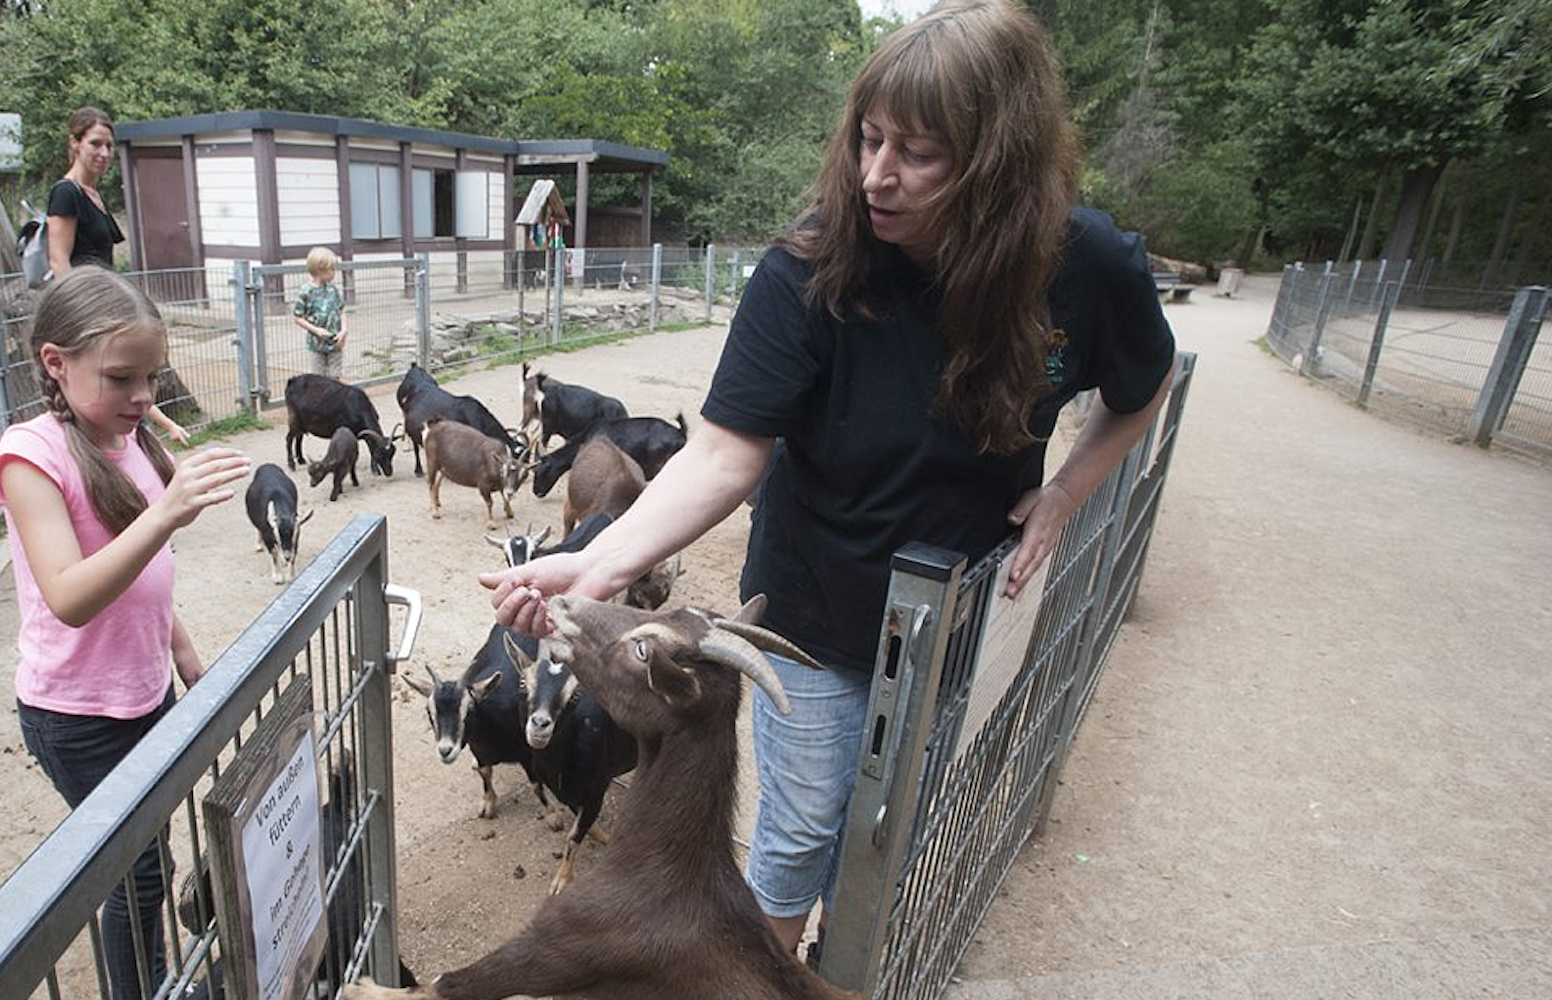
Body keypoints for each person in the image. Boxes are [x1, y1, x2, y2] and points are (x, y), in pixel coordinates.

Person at [479, 0, 1176, 958]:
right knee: (799, 835)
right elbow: (724, 453)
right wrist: (593, 569)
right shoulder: (813, 269)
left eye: (919, 153)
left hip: (961, 614)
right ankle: (766, 975)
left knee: (902, 827)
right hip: (813, 620)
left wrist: (1062, 495)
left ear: (998, 163)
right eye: (869, 137)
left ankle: (848, 963)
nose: (876, 175)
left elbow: (1141, 392)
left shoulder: (1083, 264)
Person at [0, 266, 250, 998]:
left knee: (147, 859)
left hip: (143, 693)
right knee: (135, 876)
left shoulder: (125, 437)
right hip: (74, 714)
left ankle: (152, 981)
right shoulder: (31, 457)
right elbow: (69, 595)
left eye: (152, 379)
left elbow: (146, 578)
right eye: (121, 377)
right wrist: (165, 513)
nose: (141, 397)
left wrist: (186, 653)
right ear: (55, 364)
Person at [47, 105, 189, 444]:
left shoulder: (94, 196)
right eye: (95, 143)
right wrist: (81, 318)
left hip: (109, 302)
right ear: (75, 143)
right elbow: (58, 260)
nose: (104, 153)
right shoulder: (66, 193)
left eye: (109, 146)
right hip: (87, 309)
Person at [293, 246, 347, 379]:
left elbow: (342, 309)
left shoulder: (332, 289)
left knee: (335, 378)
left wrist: (344, 330)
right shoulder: (305, 291)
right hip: (316, 345)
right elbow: (297, 317)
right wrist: (317, 331)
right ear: (320, 270)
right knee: (319, 380)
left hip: (335, 343)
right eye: (331, 270)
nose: (334, 273)